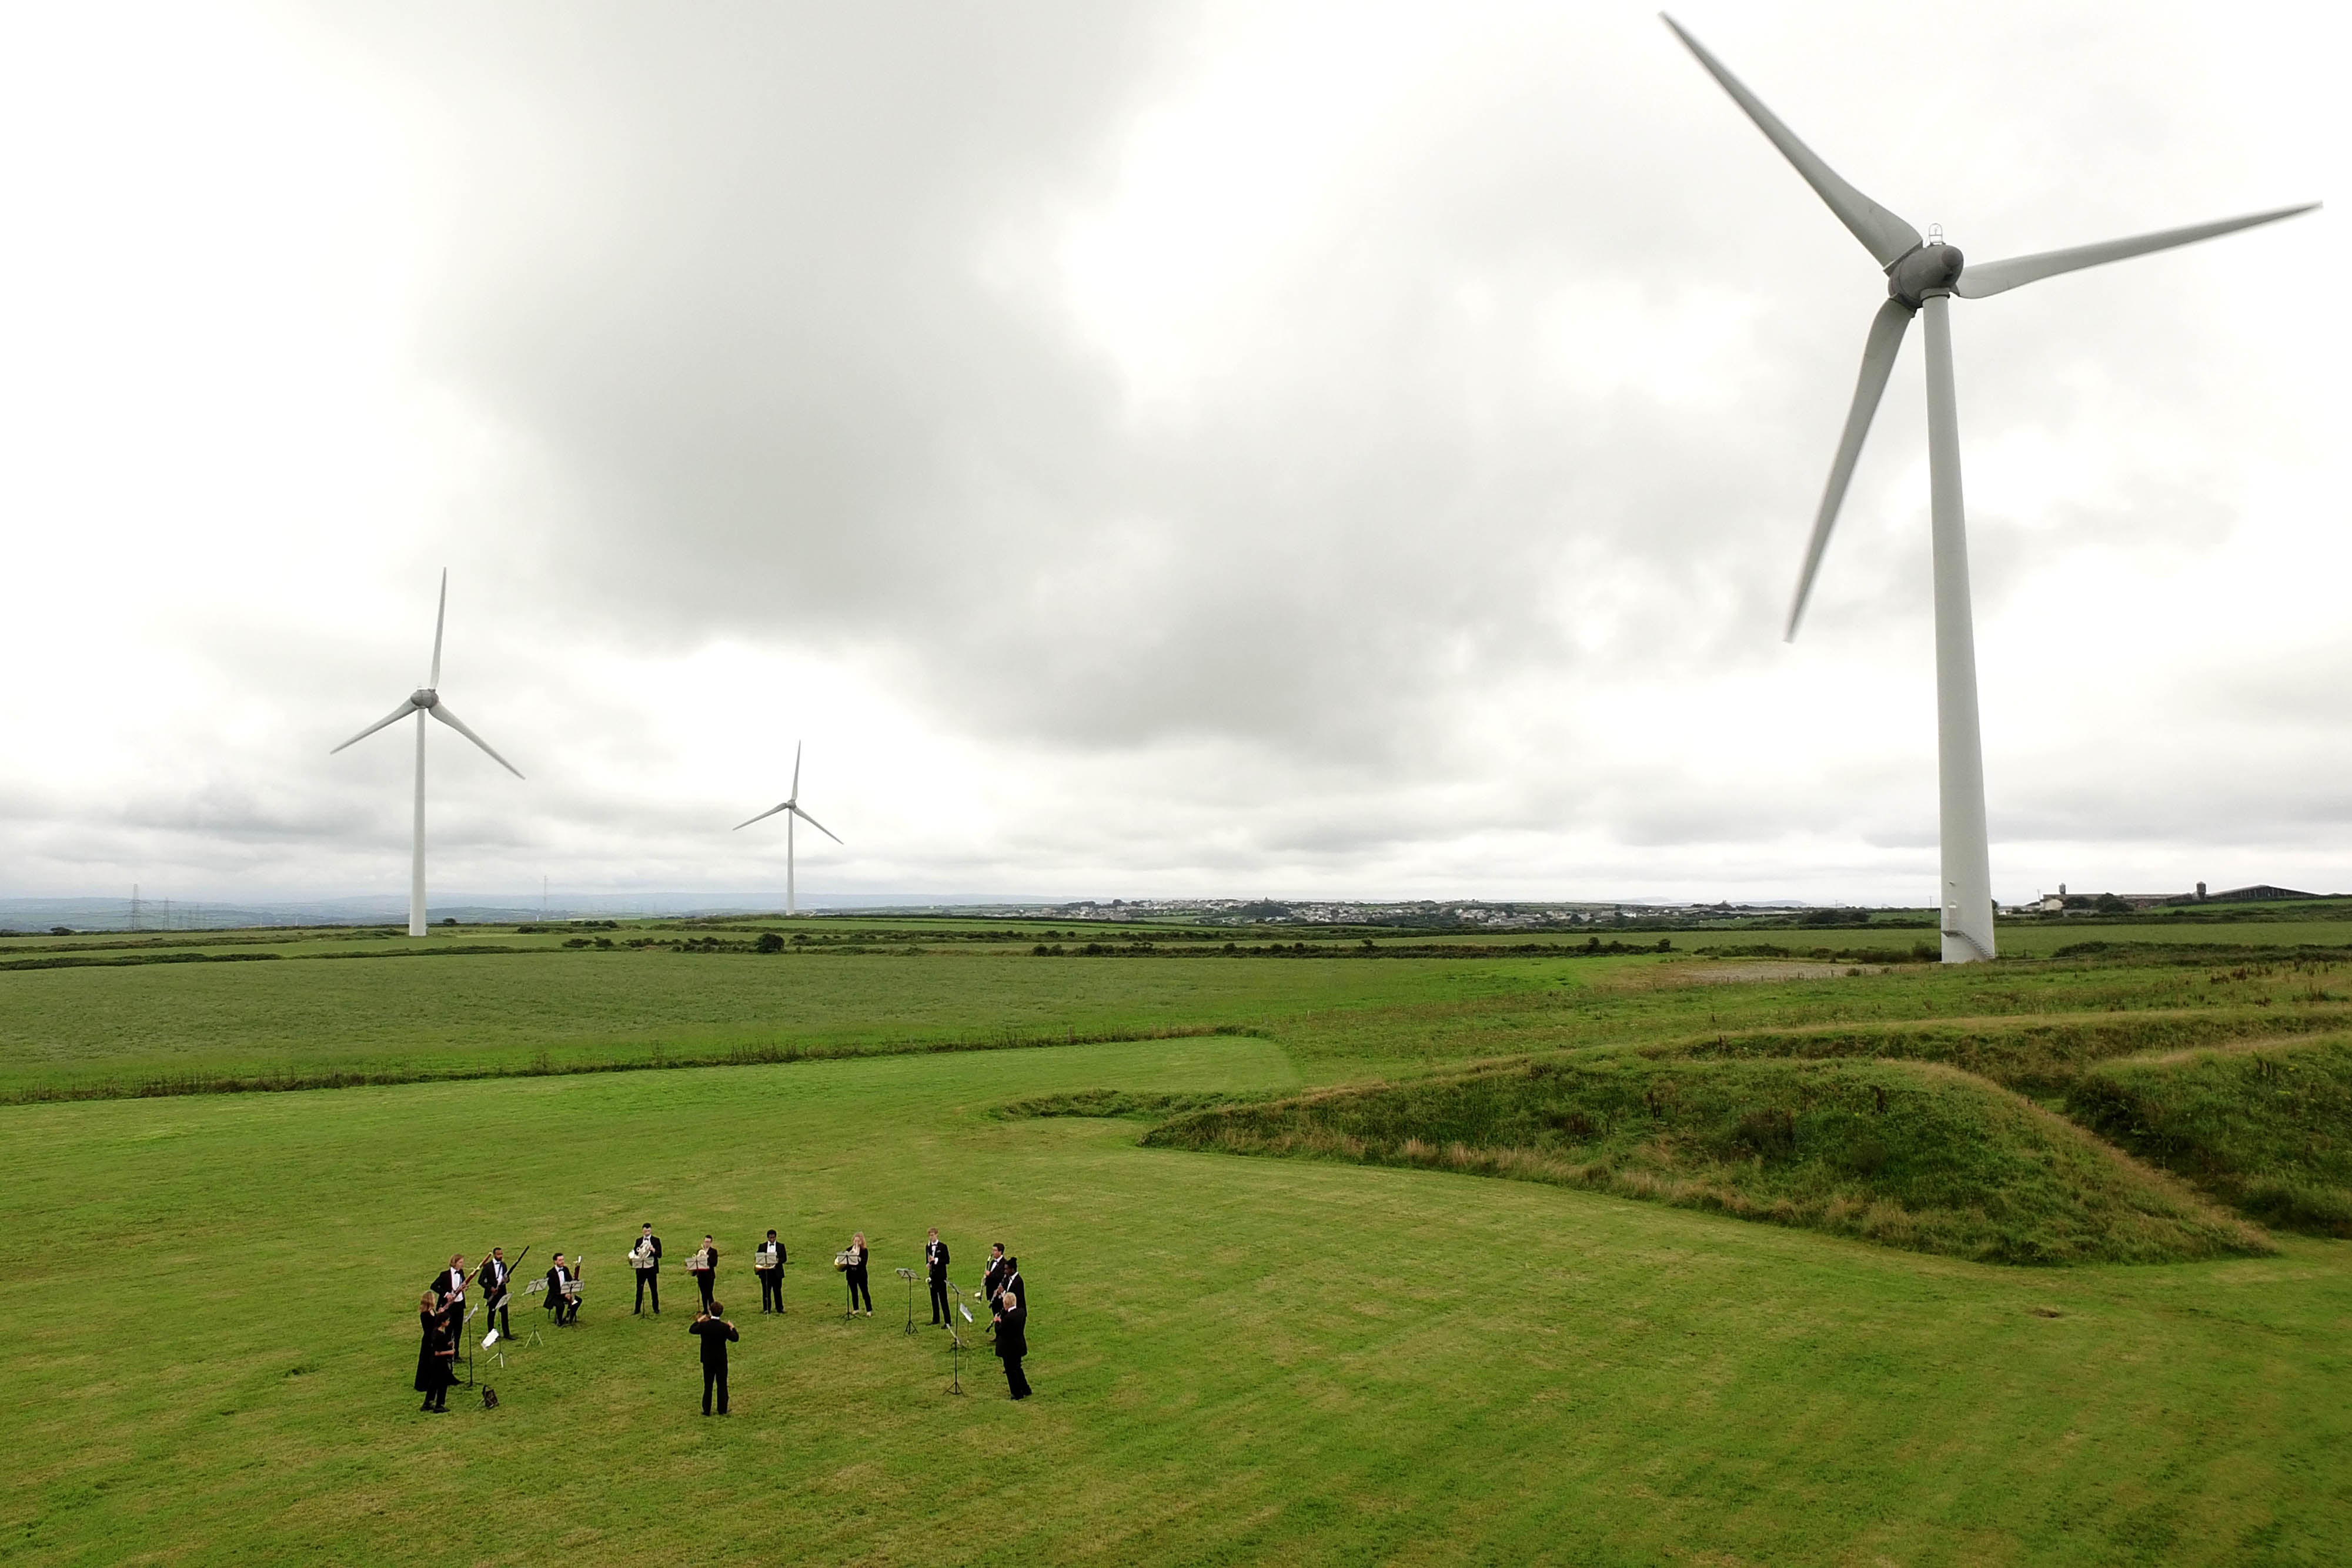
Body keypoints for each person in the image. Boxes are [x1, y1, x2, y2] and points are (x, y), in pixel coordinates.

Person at [690, 1299, 740, 1415]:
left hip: (707, 1359)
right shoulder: (724, 1328)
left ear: (711, 1312)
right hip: (721, 1359)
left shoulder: (704, 1326)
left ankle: (706, 1409)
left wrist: (699, 1320)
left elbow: (692, 1330)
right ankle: (722, 1409)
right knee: (722, 1384)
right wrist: (733, 1328)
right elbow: (735, 1338)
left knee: (708, 1385)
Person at [415, 1289, 456, 1412]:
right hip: (432, 1346)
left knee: (435, 1381)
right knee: (440, 1381)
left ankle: (428, 1403)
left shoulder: (432, 1314)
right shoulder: (426, 1316)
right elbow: (430, 1328)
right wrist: (450, 1352)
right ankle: (439, 1405)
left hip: (436, 1348)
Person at [993, 1287, 1030, 1400]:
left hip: (1009, 1348)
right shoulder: (1021, 1312)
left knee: (1010, 1370)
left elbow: (1000, 1331)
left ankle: (1017, 1393)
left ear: (1005, 1304)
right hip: (1019, 1345)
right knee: (1018, 1368)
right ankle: (1026, 1389)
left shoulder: (1008, 1318)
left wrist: (997, 1322)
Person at [479, 1247, 513, 1342]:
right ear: (494, 1255)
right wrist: (490, 1288)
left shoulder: (504, 1265)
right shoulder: (487, 1266)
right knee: (492, 1313)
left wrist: (507, 1280)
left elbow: (507, 1278)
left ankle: (507, 1334)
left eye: (502, 1254)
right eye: (499, 1254)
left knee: (505, 1313)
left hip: (502, 1292)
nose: (501, 1256)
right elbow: (481, 1281)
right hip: (492, 1294)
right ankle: (491, 1335)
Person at [632, 1223, 663, 1315]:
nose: (647, 1233)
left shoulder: (656, 1240)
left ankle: (656, 1309)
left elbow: (660, 1255)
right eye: (645, 1231)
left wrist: (653, 1250)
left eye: (648, 1231)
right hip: (641, 1269)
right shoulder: (638, 1241)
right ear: (643, 1231)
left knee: (654, 1290)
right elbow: (635, 1253)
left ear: (651, 1230)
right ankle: (637, 1310)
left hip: (651, 1269)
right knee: (639, 1290)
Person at [924, 1229, 951, 1326]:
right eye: (930, 1236)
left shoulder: (943, 1247)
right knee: (934, 1299)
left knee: (943, 1299)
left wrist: (936, 1260)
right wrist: (928, 1264)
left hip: (941, 1276)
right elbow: (927, 1259)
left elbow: (947, 1260)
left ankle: (948, 1321)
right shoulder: (928, 1247)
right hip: (933, 1277)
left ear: (937, 1235)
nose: (931, 1237)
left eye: (933, 1235)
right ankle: (936, 1319)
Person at [547, 1253, 581, 1326]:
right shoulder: (550, 1273)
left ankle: (570, 1317)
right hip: (555, 1296)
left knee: (577, 1301)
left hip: (566, 1293)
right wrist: (565, 1295)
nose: (562, 1262)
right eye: (560, 1260)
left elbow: (569, 1281)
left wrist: (575, 1281)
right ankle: (559, 1321)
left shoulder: (565, 1269)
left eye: (563, 1260)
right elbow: (553, 1289)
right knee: (560, 1305)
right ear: (555, 1262)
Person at [756, 1230, 784, 1313]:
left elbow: (784, 1258)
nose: (772, 1239)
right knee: (766, 1292)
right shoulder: (762, 1246)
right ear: (768, 1238)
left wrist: (778, 1260)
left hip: (777, 1273)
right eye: (771, 1238)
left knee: (777, 1291)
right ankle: (767, 1309)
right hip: (766, 1273)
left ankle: (780, 1308)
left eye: (774, 1237)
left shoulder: (781, 1246)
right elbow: (758, 1258)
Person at [843, 1232, 872, 1316]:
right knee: (854, 1292)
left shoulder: (864, 1251)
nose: (856, 1243)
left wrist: (857, 1258)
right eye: (855, 1241)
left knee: (865, 1292)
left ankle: (869, 1310)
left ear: (861, 1242)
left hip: (861, 1275)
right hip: (851, 1274)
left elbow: (864, 1263)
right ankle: (856, 1308)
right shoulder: (849, 1250)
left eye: (858, 1242)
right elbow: (845, 1262)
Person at [691, 1233, 719, 1312]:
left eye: (708, 1242)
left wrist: (707, 1257)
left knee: (709, 1293)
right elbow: (697, 1263)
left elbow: (714, 1263)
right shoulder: (700, 1251)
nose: (707, 1244)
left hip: (710, 1276)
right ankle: (705, 1310)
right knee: (703, 1294)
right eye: (706, 1242)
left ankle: (713, 1310)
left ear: (711, 1243)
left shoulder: (713, 1252)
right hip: (701, 1276)